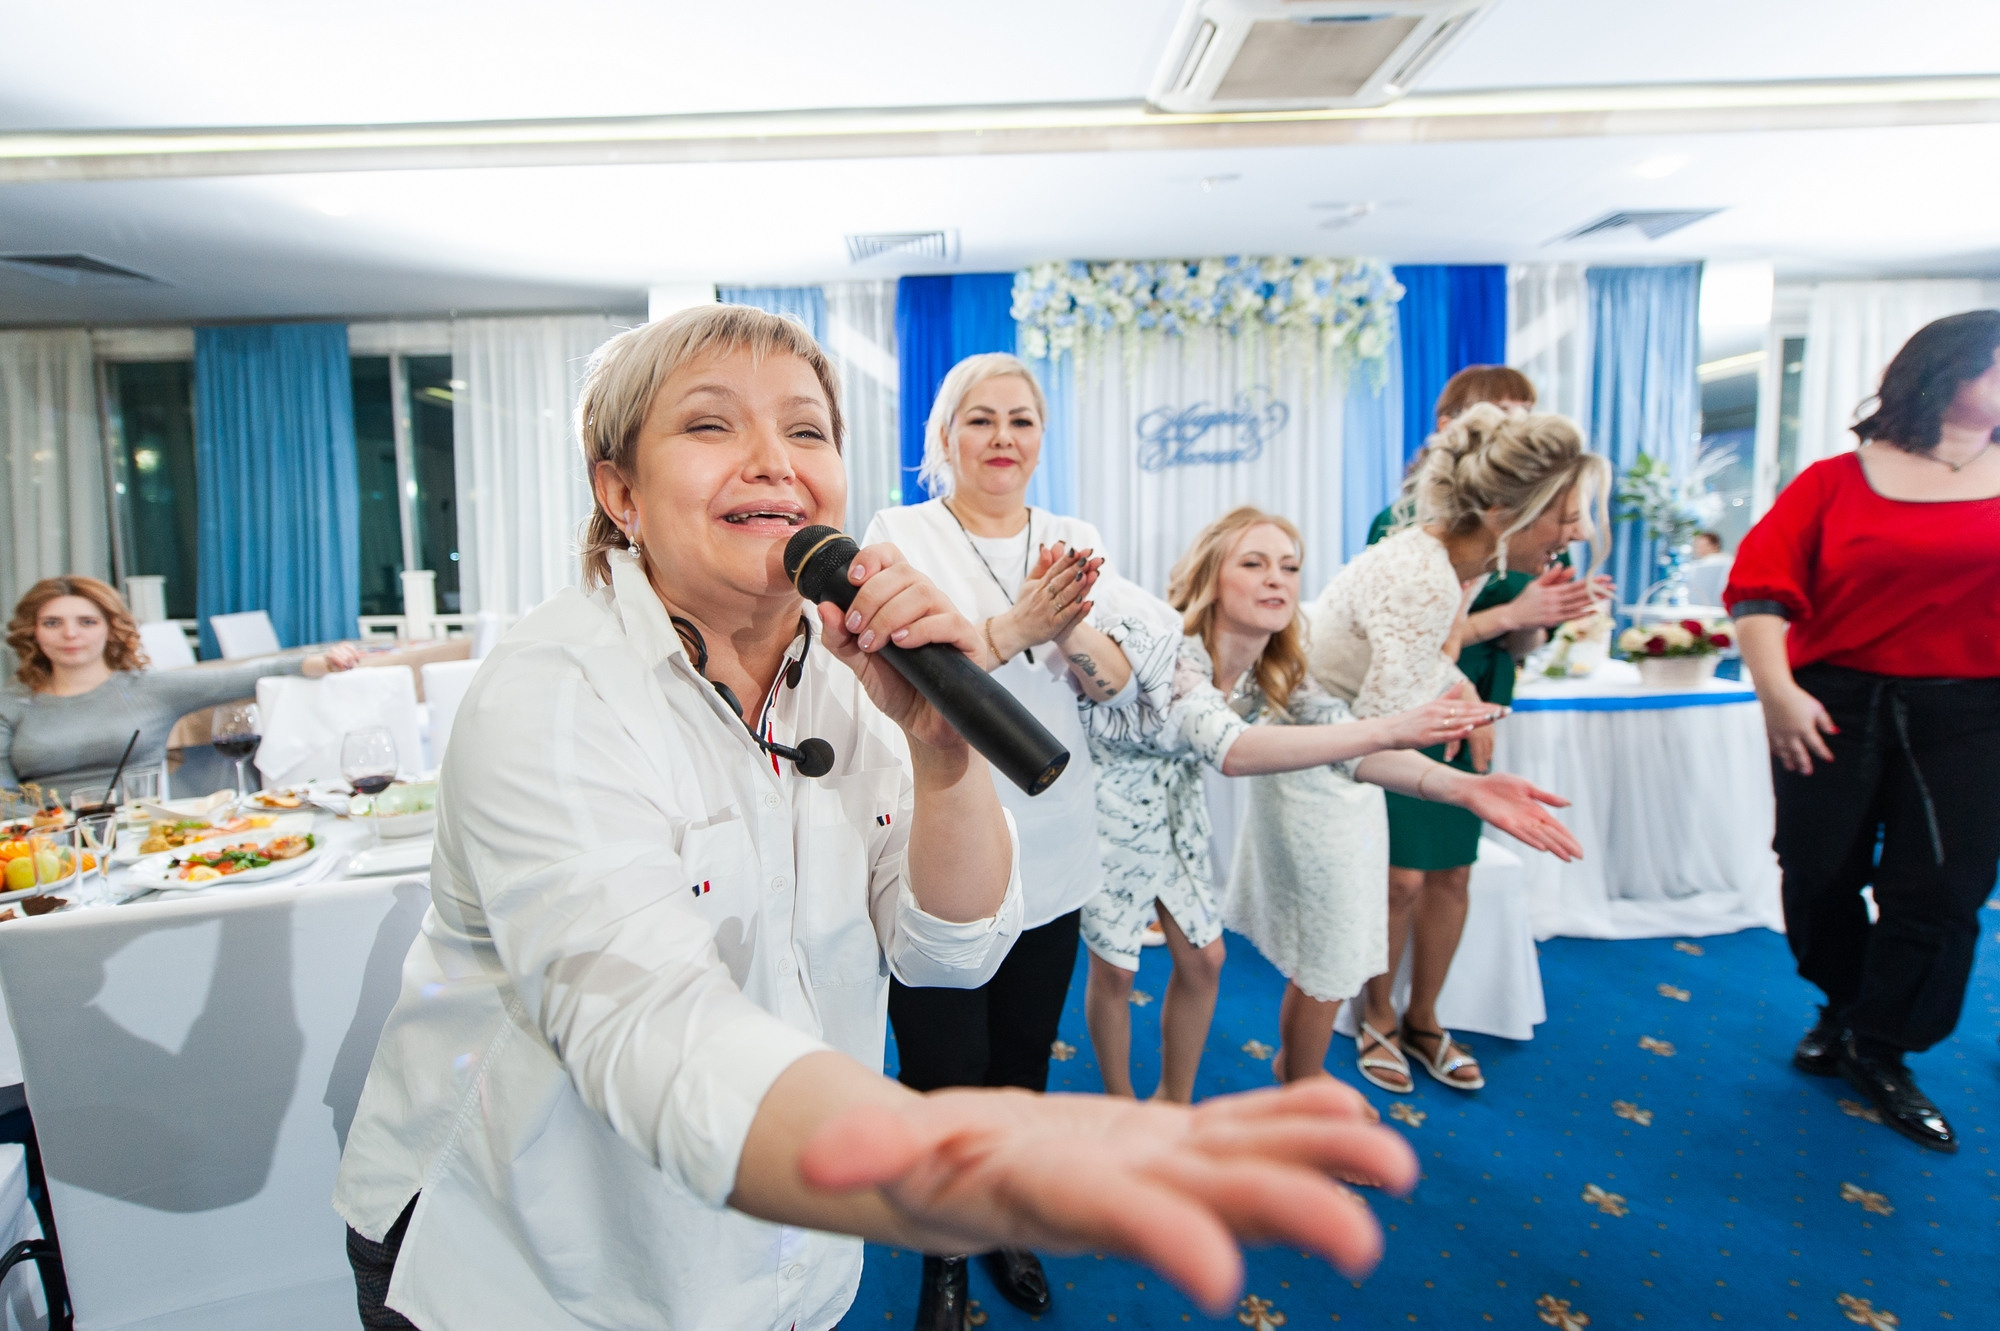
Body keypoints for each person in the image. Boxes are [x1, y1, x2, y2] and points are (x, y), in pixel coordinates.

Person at [334, 309, 1413, 1331]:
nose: (772, 460)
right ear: (618, 490)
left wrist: (942, 752)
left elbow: (946, 949)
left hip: (778, 1247)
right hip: (534, 1258)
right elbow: (641, 1022)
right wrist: (962, 1161)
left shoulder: (849, 669)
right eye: (711, 424)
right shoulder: (553, 691)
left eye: (804, 429)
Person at [863, 352, 1125, 1325]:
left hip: (1054, 843)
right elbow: (901, 665)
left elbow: (1106, 682)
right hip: (936, 851)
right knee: (939, 1067)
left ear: (1040, 436)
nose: (1002, 437)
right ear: (944, 438)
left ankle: (1005, 1214)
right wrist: (1017, 623)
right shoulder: (900, 533)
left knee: (1019, 1061)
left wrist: (1071, 633)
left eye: (1019, 419)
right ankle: (942, 1253)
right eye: (979, 419)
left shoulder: (1072, 538)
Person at [1075, 516, 1492, 1106]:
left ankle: (1172, 1104)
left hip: (1178, 800)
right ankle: (1121, 1107)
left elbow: (1348, 745)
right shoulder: (1170, 645)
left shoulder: (1277, 664)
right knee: (1115, 970)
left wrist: (1459, 788)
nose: (1277, 580)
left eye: (1290, 567)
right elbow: (1234, 751)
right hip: (1108, 798)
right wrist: (1391, 727)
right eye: (1254, 563)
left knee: (1206, 960)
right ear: (1211, 576)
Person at [1726, 309, 2000, 1154]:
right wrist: (1776, 691)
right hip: (1830, 699)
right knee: (1817, 867)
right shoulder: (1833, 481)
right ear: (1943, 372)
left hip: (1972, 709)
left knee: (1943, 888)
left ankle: (1882, 1047)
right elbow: (1759, 591)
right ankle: (1841, 1007)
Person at [1308, 405, 1609, 1094]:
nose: (1582, 533)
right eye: (1566, 516)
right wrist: (1470, 786)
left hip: (1382, 731)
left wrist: (1460, 695)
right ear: (1506, 510)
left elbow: (1435, 657)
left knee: (1438, 881)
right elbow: (1380, 738)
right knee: (1336, 929)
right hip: (1326, 754)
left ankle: (1415, 1018)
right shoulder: (1421, 573)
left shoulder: (1458, 559)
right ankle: (1334, 1056)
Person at [0, 576, 358, 797]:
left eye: (87, 621)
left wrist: (319, 662)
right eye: (52, 623)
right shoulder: (10, 703)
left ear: (111, 628)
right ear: (32, 631)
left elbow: (244, 674)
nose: (70, 634)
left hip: (139, 839)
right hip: (41, 849)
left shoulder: (150, 690)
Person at [1684, 530, 1734, 608]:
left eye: (1703, 546)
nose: (1699, 549)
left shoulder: (1700, 566)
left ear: (1716, 545)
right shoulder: (1731, 560)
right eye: (1697, 546)